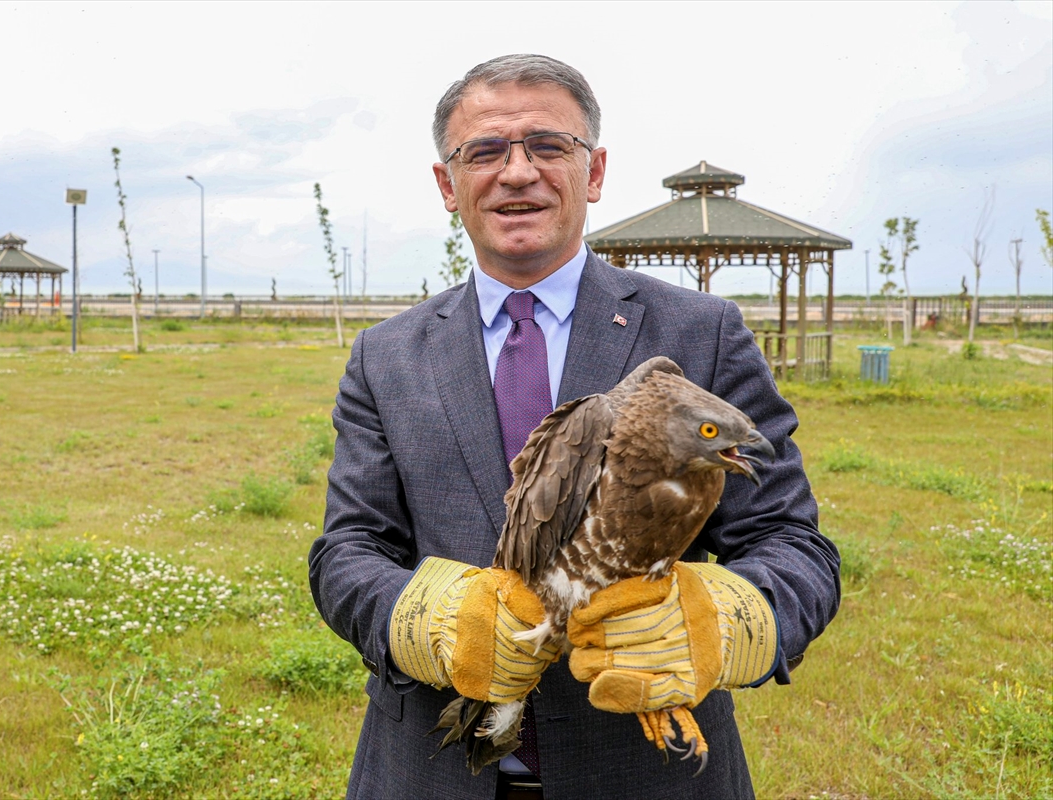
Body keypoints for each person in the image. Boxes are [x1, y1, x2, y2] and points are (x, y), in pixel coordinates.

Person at [309, 54, 840, 800]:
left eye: (549, 147)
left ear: (592, 173)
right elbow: (347, 552)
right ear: (446, 185)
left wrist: (722, 621)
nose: (518, 172)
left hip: (651, 774)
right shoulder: (385, 355)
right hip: (428, 771)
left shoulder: (702, 333)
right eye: (485, 151)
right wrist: (426, 623)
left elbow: (795, 546)